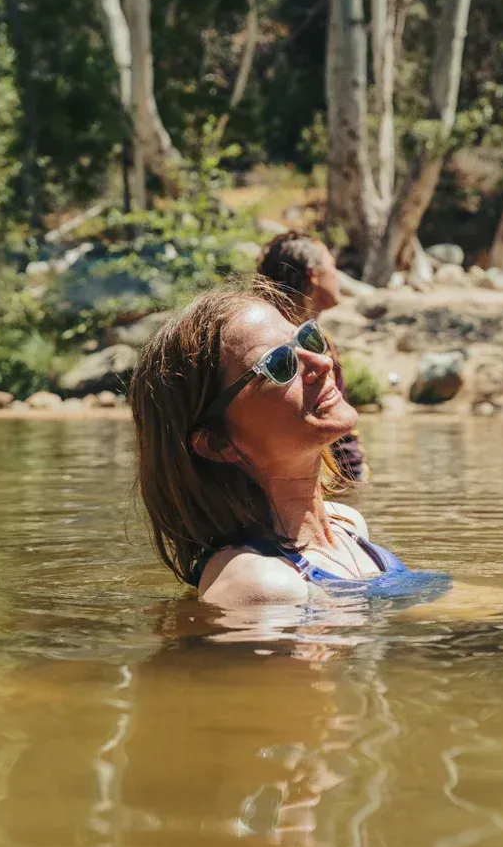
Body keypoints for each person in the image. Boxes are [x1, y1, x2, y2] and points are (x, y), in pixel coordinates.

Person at [129, 279, 448, 607]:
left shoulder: (347, 526)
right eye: (279, 364)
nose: (323, 364)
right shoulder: (261, 584)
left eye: (307, 339)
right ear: (217, 442)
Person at [257, 230, 367, 481]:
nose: (337, 276)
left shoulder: (321, 341)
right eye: (332, 267)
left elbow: (341, 437)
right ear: (313, 276)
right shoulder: (271, 345)